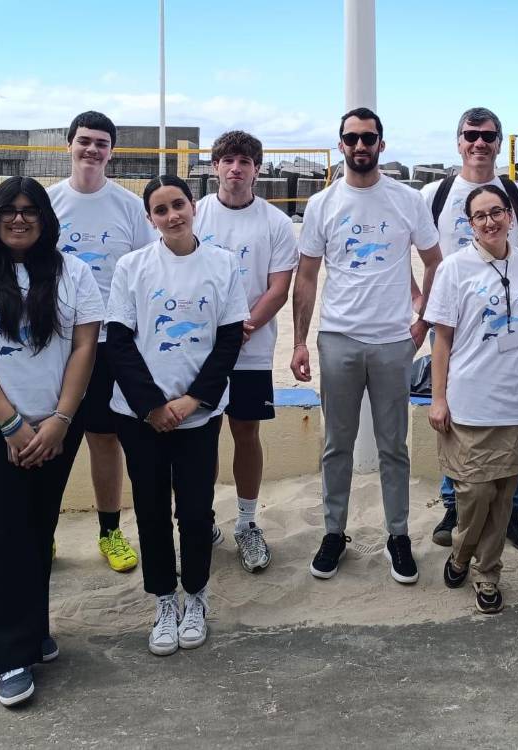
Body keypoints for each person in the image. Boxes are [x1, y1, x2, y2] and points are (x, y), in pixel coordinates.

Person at [0, 177, 103, 707]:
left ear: (45, 219)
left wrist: (59, 419)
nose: (18, 219)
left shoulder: (73, 273)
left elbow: (84, 348)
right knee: (1, 532)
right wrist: (12, 426)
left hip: (56, 425)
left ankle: (33, 630)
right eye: (8, 211)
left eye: (30, 211)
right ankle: (8, 655)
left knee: (39, 528)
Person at [291, 107, 443, 584]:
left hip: (394, 342)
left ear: (382, 143)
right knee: (336, 444)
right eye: (352, 139)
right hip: (338, 338)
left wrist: (422, 324)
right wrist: (299, 340)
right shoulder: (322, 204)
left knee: (392, 445)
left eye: (369, 138)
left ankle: (398, 535)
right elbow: (308, 276)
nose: (361, 146)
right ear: (341, 145)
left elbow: (435, 263)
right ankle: (334, 532)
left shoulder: (407, 200)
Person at [104, 175, 248, 657]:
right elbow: (119, 342)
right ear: (150, 219)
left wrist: (194, 401)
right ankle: (165, 601)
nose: (172, 216)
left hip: (198, 415)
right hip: (140, 416)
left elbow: (229, 340)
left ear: (194, 207)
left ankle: (197, 596)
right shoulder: (132, 266)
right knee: (150, 510)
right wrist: (152, 406)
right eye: (161, 210)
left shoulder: (223, 265)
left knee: (193, 509)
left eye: (179, 205)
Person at [419, 106, 518, 555]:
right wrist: (419, 301)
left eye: (489, 136)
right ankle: (454, 504)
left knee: (512, 407)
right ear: (458, 141)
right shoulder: (436, 193)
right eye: (471, 134)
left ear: (498, 142)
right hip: (454, 314)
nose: (479, 143)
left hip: (510, 319)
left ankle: (513, 510)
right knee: (454, 412)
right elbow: (405, 248)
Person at [46, 111, 157, 573]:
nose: (92, 150)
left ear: (112, 151)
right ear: (69, 145)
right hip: (56, 342)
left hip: (111, 341)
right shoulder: (49, 202)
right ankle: (43, 533)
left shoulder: (129, 207)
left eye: (101, 143)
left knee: (104, 439)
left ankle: (110, 532)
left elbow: (146, 272)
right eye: (84, 141)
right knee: (51, 439)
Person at [424, 185, 518, 614]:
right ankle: (460, 553)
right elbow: (442, 341)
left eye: (497, 212)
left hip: (515, 401)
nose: (489, 221)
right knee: (474, 494)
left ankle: (487, 573)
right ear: (469, 223)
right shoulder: (455, 268)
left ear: (510, 216)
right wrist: (438, 398)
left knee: (503, 495)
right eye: (479, 216)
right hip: (468, 401)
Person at [194, 130, 299, 573]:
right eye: (227, 160)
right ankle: (200, 521)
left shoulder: (274, 222)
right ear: (215, 166)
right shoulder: (195, 214)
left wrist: (245, 326)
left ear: (257, 168)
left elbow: (279, 287)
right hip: (198, 350)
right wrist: (214, 332)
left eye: (244, 161)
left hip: (250, 349)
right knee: (199, 437)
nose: (235, 168)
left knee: (246, 434)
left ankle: (247, 523)